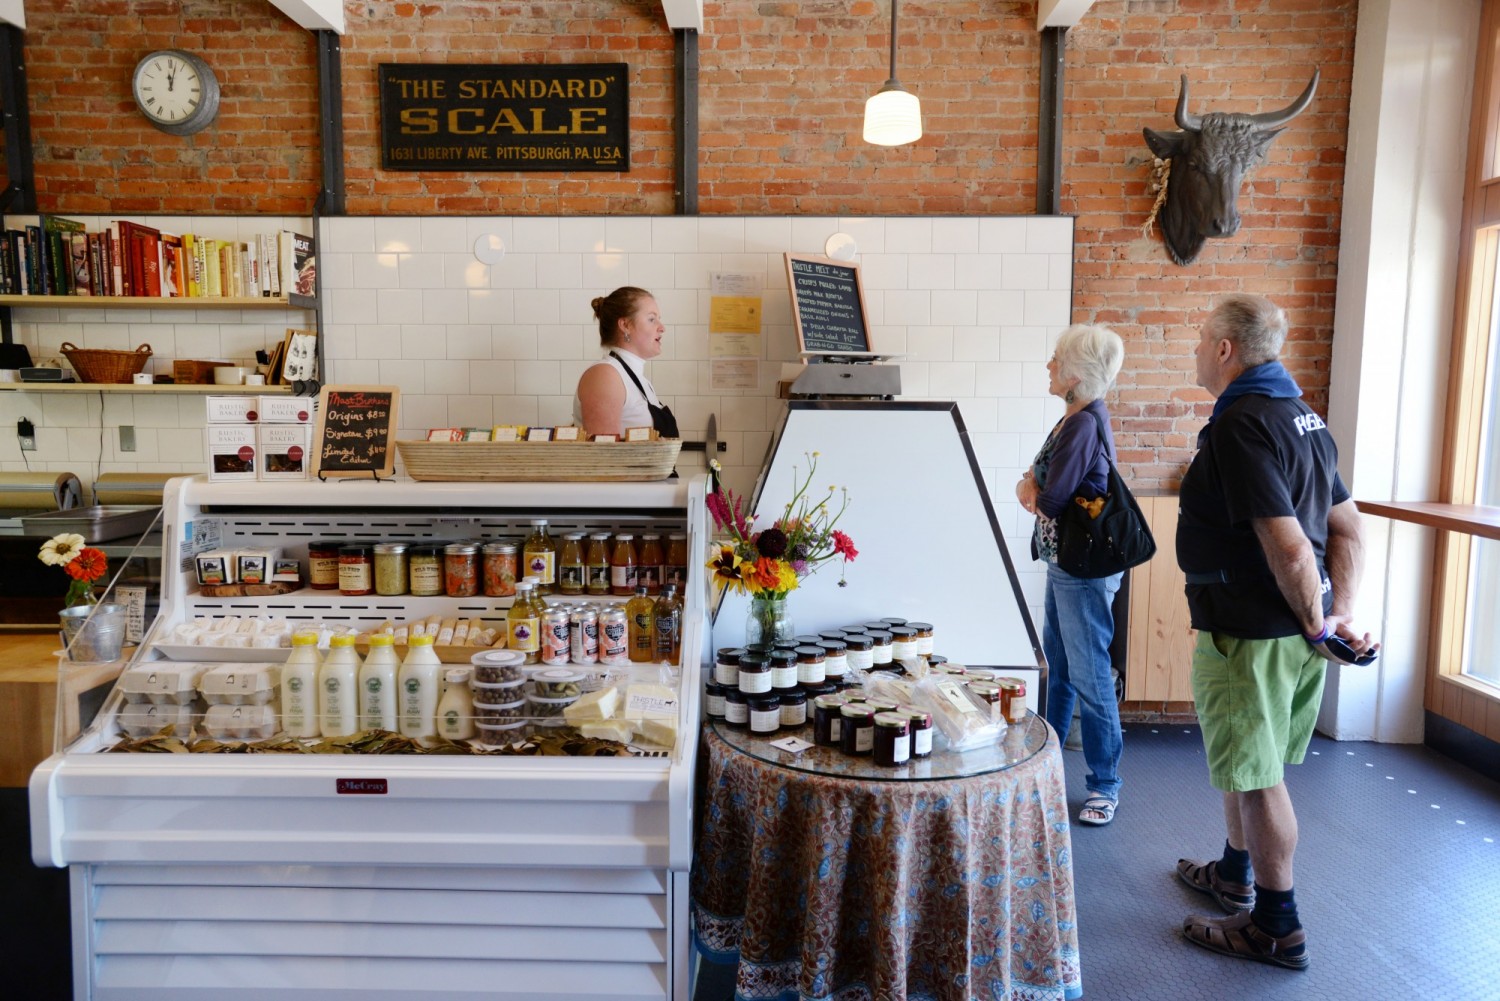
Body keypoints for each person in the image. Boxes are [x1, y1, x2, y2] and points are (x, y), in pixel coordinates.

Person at [1174, 293, 1378, 971]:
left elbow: (1292, 548)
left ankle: (1275, 924)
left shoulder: (1242, 424)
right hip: (1286, 630)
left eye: (1203, 339)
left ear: (1227, 348)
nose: (1197, 349)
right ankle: (1233, 872)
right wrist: (1335, 617)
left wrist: (1323, 625)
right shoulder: (1303, 416)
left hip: (1251, 632)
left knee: (1259, 778)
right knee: (1248, 761)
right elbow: (1347, 529)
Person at [1015, 323, 1127, 826]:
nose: (1048, 365)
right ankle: (1049, 767)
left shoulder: (1082, 424)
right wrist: (1032, 486)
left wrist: (1028, 490)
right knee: (1059, 669)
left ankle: (1104, 785)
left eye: (1056, 359)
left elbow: (1051, 498)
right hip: (1067, 565)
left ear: (1077, 374)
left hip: (1082, 571)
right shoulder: (1076, 418)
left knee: (1089, 677)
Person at [574, 286, 679, 439]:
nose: (661, 328)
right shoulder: (605, 376)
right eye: (651, 319)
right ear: (625, 325)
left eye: (659, 319)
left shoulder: (638, 380)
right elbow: (603, 456)